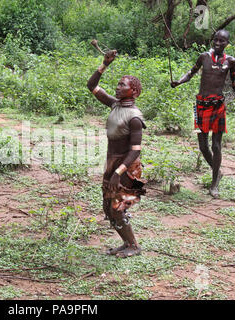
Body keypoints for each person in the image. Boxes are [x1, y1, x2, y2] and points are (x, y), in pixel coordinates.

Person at [171, 30, 235, 198]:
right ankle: (218, 171)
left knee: (216, 145)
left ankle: (214, 183)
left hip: (218, 106)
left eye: (222, 41)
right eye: (216, 39)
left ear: (227, 43)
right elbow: (191, 72)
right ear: (212, 41)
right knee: (202, 146)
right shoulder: (203, 57)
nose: (218, 43)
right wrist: (179, 81)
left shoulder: (231, 61)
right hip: (200, 105)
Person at [87, 50, 147, 258]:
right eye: (119, 84)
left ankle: (133, 245)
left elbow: (135, 150)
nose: (118, 87)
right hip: (112, 163)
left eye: (123, 85)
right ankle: (128, 243)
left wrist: (118, 172)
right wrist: (104, 64)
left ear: (134, 91)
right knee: (109, 207)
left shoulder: (134, 117)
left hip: (127, 167)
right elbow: (92, 87)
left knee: (117, 208)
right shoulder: (115, 105)